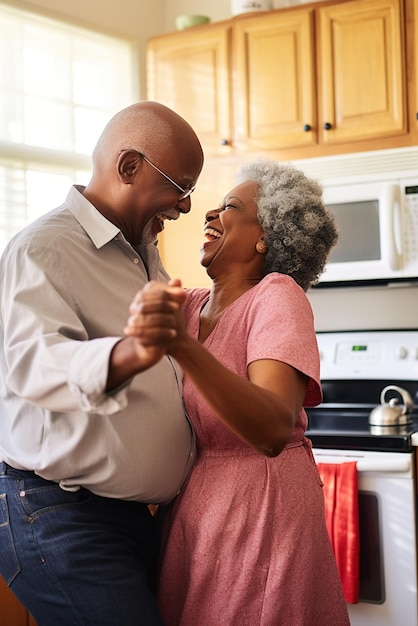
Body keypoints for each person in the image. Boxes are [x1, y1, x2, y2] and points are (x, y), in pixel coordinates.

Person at [0, 101, 204, 626]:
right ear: (129, 166)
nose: (184, 207)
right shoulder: (42, 251)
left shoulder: (142, 252)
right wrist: (129, 352)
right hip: (60, 516)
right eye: (180, 186)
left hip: (131, 517)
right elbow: (33, 366)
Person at [125, 158, 350, 625]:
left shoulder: (276, 295)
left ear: (265, 237)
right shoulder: (188, 305)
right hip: (195, 514)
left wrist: (183, 347)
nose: (210, 214)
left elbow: (271, 428)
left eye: (229, 207)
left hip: (260, 509)